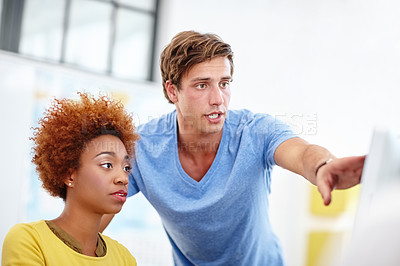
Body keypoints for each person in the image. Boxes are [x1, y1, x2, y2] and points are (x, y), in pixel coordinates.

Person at [100, 31, 365, 265]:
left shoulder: (255, 131)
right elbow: (93, 213)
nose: (218, 99)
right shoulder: (141, 148)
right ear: (172, 91)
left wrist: (323, 167)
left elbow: (301, 152)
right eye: (202, 85)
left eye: (224, 84)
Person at [2, 92, 139, 265]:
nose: (123, 178)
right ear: (69, 175)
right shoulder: (29, 240)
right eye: (107, 165)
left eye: (126, 168)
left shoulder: (124, 258)